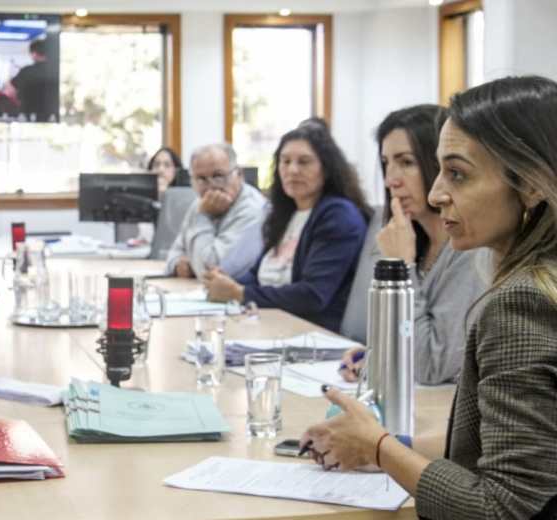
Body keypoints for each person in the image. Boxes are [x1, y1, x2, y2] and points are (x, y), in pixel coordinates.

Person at [301, 75, 557, 519]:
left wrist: (380, 448)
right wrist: (382, 446)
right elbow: (515, 449)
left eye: (457, 174)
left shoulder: (520, 302)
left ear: (533, 184)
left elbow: (501, 509)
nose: (438, 194)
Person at [339, 105, 487, 385]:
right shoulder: (411, 239)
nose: (390, 180)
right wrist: (372, 355)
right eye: (386, 163)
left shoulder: (472, 248)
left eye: (406, 162)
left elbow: (431, 365)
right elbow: (391, 335)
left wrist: (401, 268)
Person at [202, 124, 371, 332]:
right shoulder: (285, 213)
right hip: (269, 324)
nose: (292, 170)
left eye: (304, 162)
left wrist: (239, 293)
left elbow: (313, 296)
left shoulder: (338, 215)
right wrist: (225, 281)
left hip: (311, 334)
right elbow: (257, 275)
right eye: (285, 161)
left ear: (326, 168)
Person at [165, 143, 268, 278]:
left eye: (218, 176)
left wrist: (202, 216)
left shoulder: (253, 210)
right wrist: (178, 264)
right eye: (201, 179)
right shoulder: (199, 203)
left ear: (239, 175)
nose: (211, 186)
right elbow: (174, 254)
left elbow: (211, 272)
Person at [1, 38, 59, 122]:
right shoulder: (56, 70)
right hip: (52, 117)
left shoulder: (26, 71)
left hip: (28, 117)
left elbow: (9, 91)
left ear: (34, 54)